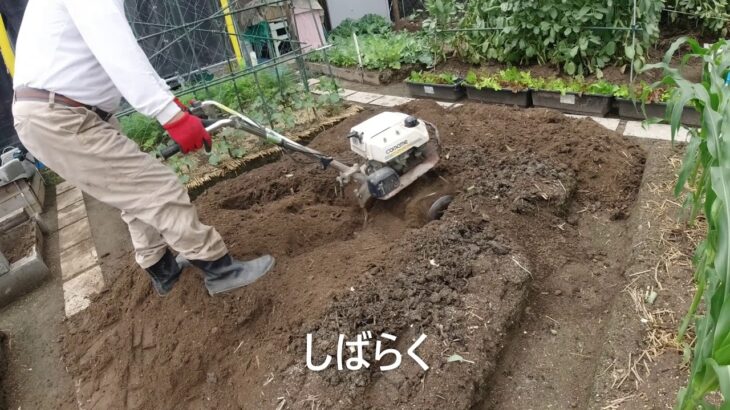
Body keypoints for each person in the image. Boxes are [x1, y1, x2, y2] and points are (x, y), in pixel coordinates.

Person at [11, 0, 275, 296]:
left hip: (70, 112)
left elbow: (123, 56)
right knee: (157, 188)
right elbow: (117, 52)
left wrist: (173, 105)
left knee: (135, 194)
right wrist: (172, 117)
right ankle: (221, 270)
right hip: (60, 116)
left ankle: (163, 270)